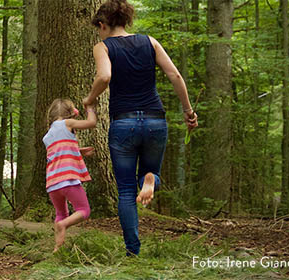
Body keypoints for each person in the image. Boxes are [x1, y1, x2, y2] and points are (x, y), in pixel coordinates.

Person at [83, 0, 198, 256]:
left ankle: (132, 251)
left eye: (99, 28)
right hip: (155, 119)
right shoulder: (150, 42)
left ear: (103, 24)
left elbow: (104, 77)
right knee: (151, 173)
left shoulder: (103, 47)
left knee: (125, 190)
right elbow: (175, 75)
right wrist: (188, 111)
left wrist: (90, 99)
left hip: (123, 123)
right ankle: (149, 179)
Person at [43, 98, 96, 252]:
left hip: (52, 183)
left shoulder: (47, 135)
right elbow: (91, 123)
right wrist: (90, 108)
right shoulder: (68, 123)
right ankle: (64, 225)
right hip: (68, 179)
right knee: (84, 210)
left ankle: (57, 248)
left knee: (61, 213)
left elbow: (58, 153)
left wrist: (78, 151)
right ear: (70, 113)